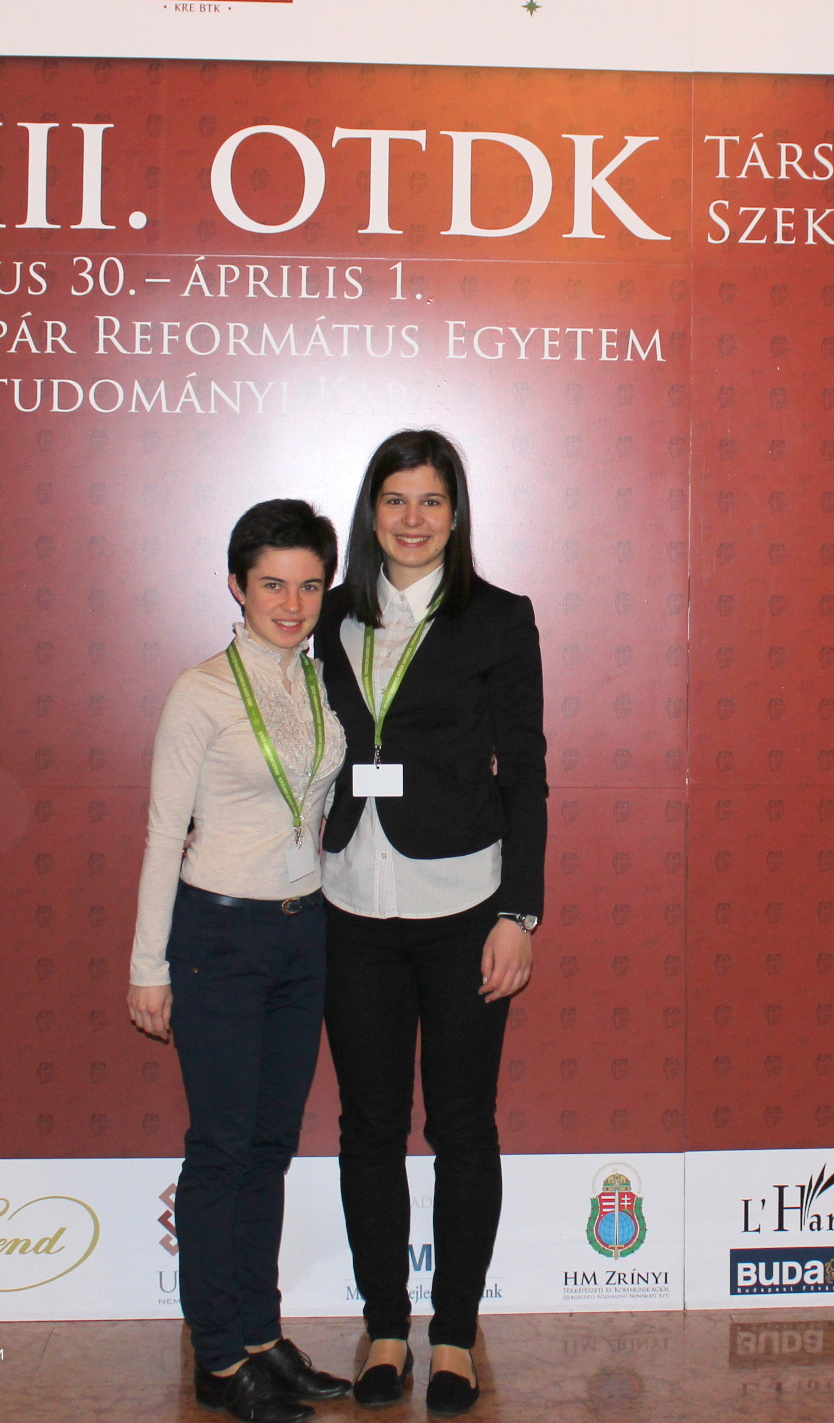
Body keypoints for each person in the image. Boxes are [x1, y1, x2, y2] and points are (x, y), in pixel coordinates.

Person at [316, 430, 545, 1417]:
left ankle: (452, 1333)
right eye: (395, 500)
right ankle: (383, 1326)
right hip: (348, 904)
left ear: (456, 515)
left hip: (463, 905)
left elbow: (525, 771)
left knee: (461, 1123)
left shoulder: (499, 617)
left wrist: (519, 911)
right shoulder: (329, 615)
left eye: (431, 501)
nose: (412, 519)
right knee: (368, 1124)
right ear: (371, 511)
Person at [128, 499, 354, 1423]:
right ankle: (218, 1357)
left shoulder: (319, 683)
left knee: (270, 1146)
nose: (292, 605)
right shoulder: (202, 692)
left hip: (304, 933)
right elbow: (162, 832)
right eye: (272, 586)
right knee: (221, 1148)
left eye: (309, 586)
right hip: (218, 936)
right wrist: (149, 965)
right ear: (237, 586)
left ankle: (262, 1337)